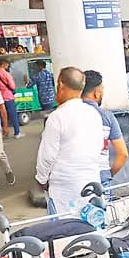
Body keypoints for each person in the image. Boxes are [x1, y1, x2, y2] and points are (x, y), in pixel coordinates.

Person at [35, 67, 104, 214]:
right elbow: (99, 148)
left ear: (60, 85)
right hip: (90, 181)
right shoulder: (93, 114)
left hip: (63, 189)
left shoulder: (57, 117)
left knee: (63, 231)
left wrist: (41, 180)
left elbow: (47, 157)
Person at [82, 70, 128, 187]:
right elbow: (123, 154)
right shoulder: (107, 117)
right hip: (101, 177)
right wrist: (108, 174)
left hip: (76, 178)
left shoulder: (67, 115)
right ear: (97, 93)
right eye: (102, 89)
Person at [0, 59, 21, 138]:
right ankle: (17, 133)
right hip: (8, 97)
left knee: (0, 115)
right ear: (4, 64)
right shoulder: (6, 74)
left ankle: (2, 133)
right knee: (13, 115)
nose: (7, 67)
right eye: (7, 65)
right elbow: (12, 86)